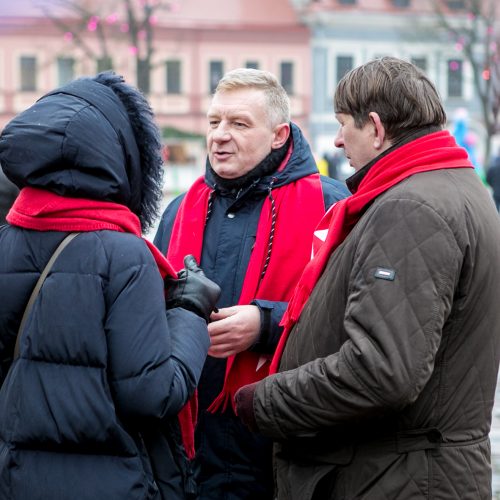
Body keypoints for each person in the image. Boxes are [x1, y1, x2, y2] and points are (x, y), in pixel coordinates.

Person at [234, 57, 500, 500]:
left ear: (375, 129)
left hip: (393, 477)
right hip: (412, 470)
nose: (337, 141)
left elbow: (381, 369)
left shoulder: (410, 208)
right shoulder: (456, 187)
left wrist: (264, 401)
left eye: (343, 126)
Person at [0, 72, 221, 500]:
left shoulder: (7, 237)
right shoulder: (123, 253)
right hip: (111, 480)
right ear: (120, 154)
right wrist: (190, 312)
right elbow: (152, 394)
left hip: (18, 474)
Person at [153, 67, 350, 499]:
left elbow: (352, 321)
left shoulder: (332, 207)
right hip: (191, 453)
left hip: (284, 451)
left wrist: (264, 326)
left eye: (239, 124)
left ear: (279, 135)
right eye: (214, 122)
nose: (220, 136)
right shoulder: (179, 210)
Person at [486, 146, 500, 211]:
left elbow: (488, 178)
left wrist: (494, 186)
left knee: (496, 211)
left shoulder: (493, 165)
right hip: (496, 191)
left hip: (496, 192)